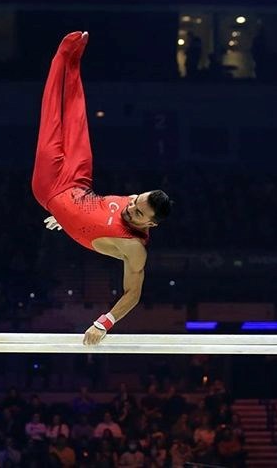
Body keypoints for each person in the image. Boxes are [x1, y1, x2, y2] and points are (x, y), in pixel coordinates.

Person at [32, 31, 173, 346]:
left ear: (150, 224)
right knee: (78, 118)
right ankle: (74, 62)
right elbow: (92, 209)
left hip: (51, 188)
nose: (130, 206)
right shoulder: (134, 202)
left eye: (137, 212)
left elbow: (133, 294)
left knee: (54, 120)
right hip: (79, 183)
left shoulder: (134, 248)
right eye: (136, 200)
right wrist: (65, 218)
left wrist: (103, 323)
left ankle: (61, 55)